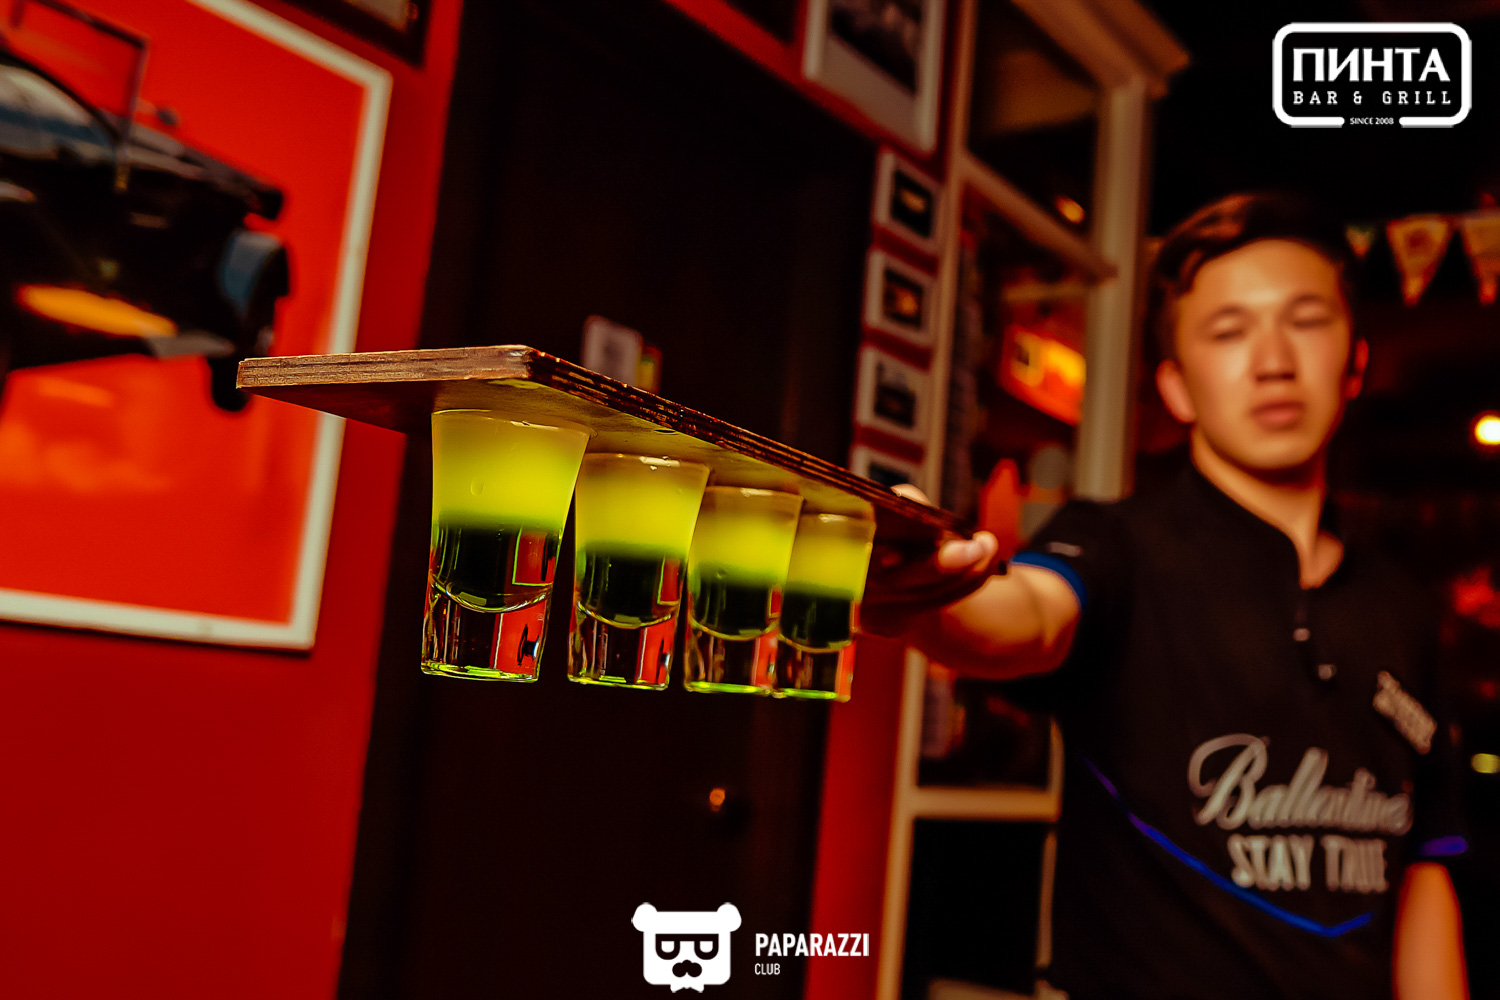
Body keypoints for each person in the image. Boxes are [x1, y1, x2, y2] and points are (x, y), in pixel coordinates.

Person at [869, 193, 1469, 999]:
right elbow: (1030, 617)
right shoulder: (1118, 545)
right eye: (1228, 331)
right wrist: (929, 595)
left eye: (1304, 321)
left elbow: (1424, 870)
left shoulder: (1404, 607)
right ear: (1177, 386)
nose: (1273, 361)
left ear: (1355, 362)